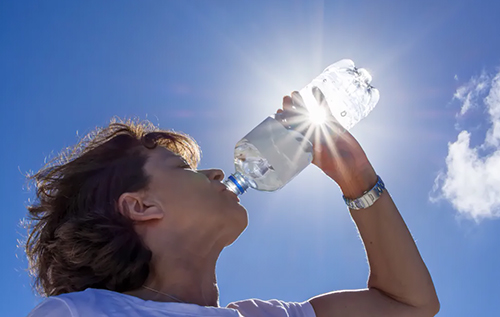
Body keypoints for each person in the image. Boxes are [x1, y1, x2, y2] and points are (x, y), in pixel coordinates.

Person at [25, 93, 440, 317]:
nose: (217, 174)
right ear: (141, 206)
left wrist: (357, 176)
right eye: (181, 167)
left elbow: (410, 304)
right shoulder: (79, 314)